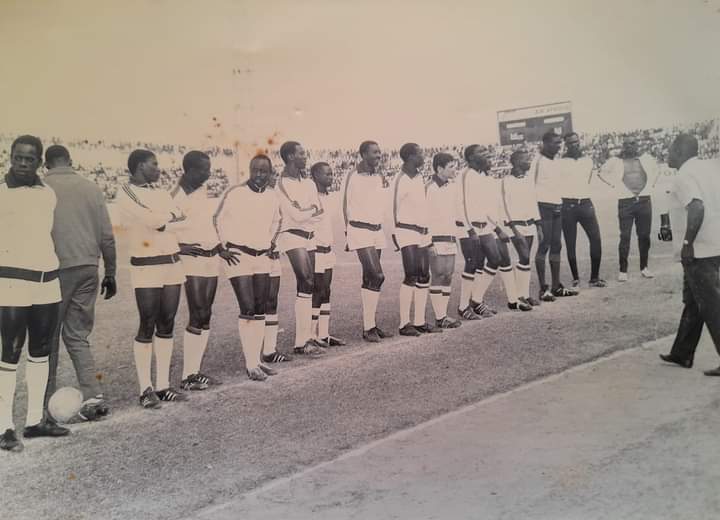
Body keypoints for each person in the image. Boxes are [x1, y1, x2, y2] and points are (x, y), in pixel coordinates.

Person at [1, 136, 67, 452]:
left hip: (47, 280)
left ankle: (34, 421)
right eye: (18, 158)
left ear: (39, 161)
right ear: (10, 157)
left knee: (41, 349)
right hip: (11, 281)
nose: (23, 164)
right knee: (10, 351)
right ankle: (4, 427)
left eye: (29, 159)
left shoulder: (47, 193)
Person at [42, 145, 116, 423]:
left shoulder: (42, 187)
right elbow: (107, 235)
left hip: (56, 269)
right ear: (70, 161)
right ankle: (93, 395)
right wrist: (110, 271)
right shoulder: (91, 187)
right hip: (88, 267)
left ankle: (42, 403)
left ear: (45, 164)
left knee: (47, 338)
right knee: (77, 336)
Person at [115, 149, 189, 408]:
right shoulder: (125, 192)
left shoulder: (160, 193)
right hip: (146, 265)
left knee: (167, 322)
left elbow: (182, 219)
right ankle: (145, 388)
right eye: (154, 164)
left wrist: (164, 220)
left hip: (172, 262)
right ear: (139, 166)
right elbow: (151, 220)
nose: (159, 168)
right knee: (147, 323)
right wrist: (167, 219)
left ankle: (163, 386)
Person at [658, 134, 720, 374]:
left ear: (681, 151)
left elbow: (696, 206)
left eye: (671, 150)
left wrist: (687, 243)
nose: (668, 154)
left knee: (712, 305)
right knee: (694, 301)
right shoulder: (709, 168)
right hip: (715, 244)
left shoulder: (684, 176)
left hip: (700, 250)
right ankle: (682, 352)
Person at [213, 155, 279, 381]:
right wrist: (221, 248)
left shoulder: (272, 196)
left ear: (270, 173)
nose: (259, 175)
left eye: (264, 171)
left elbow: (276, 221)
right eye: (255, 170)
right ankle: (251, 364)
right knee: (248, 307)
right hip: (239, 256)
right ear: (249, 171)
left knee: (260, 307)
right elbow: (216, 219)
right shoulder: (235, 193)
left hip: (262, 256)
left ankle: (258, 360)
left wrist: (271, 243)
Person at [171, 151, 228, 390]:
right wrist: (180, 247)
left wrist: (218, 247)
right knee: (197, 313)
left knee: (205, 313)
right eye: (204, 169)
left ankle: (195, 372)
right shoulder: (174, 196)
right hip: (192, 261)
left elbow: (205, 225)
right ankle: (187, 376)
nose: (208, 173)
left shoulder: (201, 192)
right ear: (191, 170)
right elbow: (162, 227)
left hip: (210, 258)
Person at [459, 145, 530, 314]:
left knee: (496, 259)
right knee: (479, 263)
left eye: (487, 153)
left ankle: (477, 301)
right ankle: (467, 305)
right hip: (471, 228)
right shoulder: (466, 176)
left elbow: (488, 207)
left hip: (487, 225)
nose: (487, 155)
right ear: (471, 158)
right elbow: (462, 204)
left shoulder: (484, 178)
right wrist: (471, 229)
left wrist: (498, 227)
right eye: (482, 153)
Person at [276, 141, 327, 356]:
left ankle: (305, 339)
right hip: (290, 236)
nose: (305, 157)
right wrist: (310, 210)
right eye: (301, 153)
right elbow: (295, 216)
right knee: (305, 280)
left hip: (309, 237)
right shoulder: (281, 184)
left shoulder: (309, 184)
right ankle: (301, 342)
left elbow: (321, 212)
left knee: (309, 284)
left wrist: (308, 210)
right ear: (289, 157)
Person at [342, 141, 393, 343]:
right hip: (359, 230)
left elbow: (380, 203)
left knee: (369, 279)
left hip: (376, 231)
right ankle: (368, 327)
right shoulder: (351, 175)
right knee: (377, 275)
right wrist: (347, 233)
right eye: (374, 152)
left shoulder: (379, 176)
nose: (378, 155)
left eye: (380, 152)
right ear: (363, 154)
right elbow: (344, 205)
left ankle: (370, 326)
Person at [392, 143, 441, 336]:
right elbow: (392, 209)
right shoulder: (400, 179)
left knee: (424, 275)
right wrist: (397, 236)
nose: (424, 155)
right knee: (411, 274)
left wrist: (427, 236)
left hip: (421, 232)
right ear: (411, 156)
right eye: (421, 153)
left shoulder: (420, 177)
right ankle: (404, 324)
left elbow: (423, 209)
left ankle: (419, 321)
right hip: (405, 231)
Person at [599, 136, 661, 281]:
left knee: (644, 236)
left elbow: (657, 171)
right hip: (625, 202)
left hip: (644, 201)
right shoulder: (616, 161)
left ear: (637, 144)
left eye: (633, 143)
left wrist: (650, 186)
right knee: (625, 236)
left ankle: (644, 267)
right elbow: (601, 172)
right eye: (626, 144)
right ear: (623, 146)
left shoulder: (646, 158)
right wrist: (614, 185)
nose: (630, 146)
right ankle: (623, 270)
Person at [533, 131, 578, 300]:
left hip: (557, 206)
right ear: (545, 143)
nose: (558, 146)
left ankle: (556, 286)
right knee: (544, 244)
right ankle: (543, 289)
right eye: (555, 143)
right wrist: (535, 217)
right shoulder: (537, 162)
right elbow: (530, 187)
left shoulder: (557, 162)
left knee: (557, 245)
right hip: (543, 208)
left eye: (560, 143)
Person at [560, 133, 605, 288]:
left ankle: (594, 277)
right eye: (571, 143)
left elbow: (587, 181)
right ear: (566, 145)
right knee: (570, 243)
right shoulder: (560, 163)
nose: (574, 145)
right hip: (567, 205)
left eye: (576, 142)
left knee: (596, 239)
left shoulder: (587, 161)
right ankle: (575, 278)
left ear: (580, 143)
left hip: (586, 203)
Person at [309, 161, 346, 346]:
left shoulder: (330, 197)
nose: (330, 177)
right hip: (315, 251)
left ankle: (323, 334)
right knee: (316, 291)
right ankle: (310, 335)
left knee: (326, 291)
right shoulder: (310, 197)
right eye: (326, 174)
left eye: (331, 174)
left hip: (328, 250)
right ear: (315, 176)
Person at [501, 149, 543, 307]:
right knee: (524, 256)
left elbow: (533, 203)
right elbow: (504, 206)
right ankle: (519, 296)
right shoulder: (506, 181)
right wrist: (513, 228)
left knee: (525, 259)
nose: (529, 162)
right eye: (526, 159)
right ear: (517, 162)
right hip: (515, 225)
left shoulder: (528, 180)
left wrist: (538, 225)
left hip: (530, 223)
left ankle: (524, 294)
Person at [426, 153, 462, 328]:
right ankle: (440, 317)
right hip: (435, 238)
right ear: (440, 169)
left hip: (450, 236)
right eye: (451, 167)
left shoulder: (453, 187)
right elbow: (423, 216)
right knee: (438, 275)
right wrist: (428, 242)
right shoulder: (429, 188)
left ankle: (444, 316)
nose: (454, 170)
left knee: (448, 275)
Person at [262, 169, 292, 363]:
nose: (273, 178)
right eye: (269, 175)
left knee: (272, 301)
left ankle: (270, 350)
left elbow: (281, 225)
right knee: (258, 303)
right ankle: (254, 352)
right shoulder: (252, 199)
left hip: (273, 255)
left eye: (274, 175)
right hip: (257, 255)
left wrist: (275, 246)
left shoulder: (276, 198)